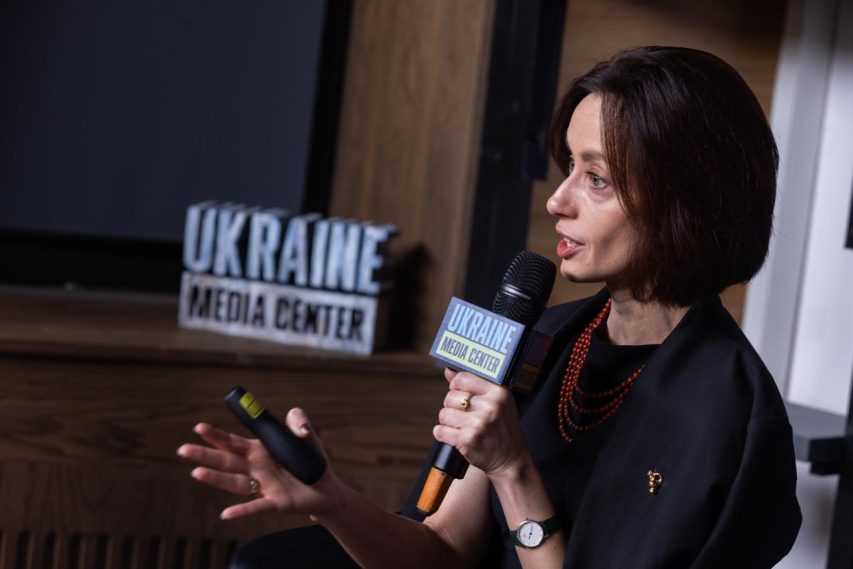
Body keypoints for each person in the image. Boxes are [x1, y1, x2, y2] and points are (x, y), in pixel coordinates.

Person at [177, 46, 801, 568]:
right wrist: (330, 499)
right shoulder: (547, 335)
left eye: (596, 178)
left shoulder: (723, 409)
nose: (557, 201)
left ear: (686, 203)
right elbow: (442, 550)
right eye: (568, 166)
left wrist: (511, 469)